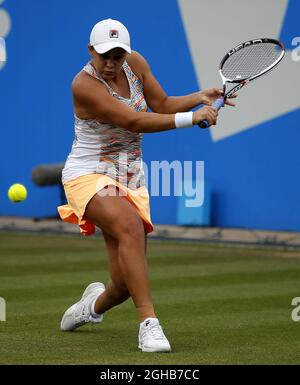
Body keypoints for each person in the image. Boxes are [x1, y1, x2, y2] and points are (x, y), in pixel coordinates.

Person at [57, 18, 236, 353]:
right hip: (87, 173)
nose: (111, 63)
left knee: (123, 284)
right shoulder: (83, 85)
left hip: (130, 176)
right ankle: (149, 325)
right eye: (104, 56)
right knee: (129, 227)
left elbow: (162, 104)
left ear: (127, 52)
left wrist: (198, 98)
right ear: (90, 51)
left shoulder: (135, 64)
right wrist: (192, 118)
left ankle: (90, 308)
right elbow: (132, 120)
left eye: (117, 55)